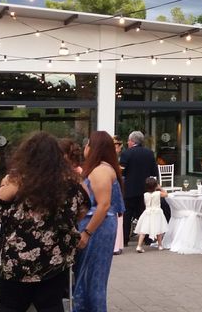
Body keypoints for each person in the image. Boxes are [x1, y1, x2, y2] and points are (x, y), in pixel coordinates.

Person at [0, 132, 88, 312]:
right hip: (54, 262)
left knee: (11, 307)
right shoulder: (71, 185)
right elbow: (83, 208)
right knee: (52, 306)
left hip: (16, 264)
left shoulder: (18, 182)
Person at [73, 131, 125, 312]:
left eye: (87, 144)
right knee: (91, 276)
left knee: (91, 277)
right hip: (98, 226)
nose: (84, 148)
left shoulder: (101, 170)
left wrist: (87, 233)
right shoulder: (104, 168)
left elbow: (103, 205)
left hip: (96, 228)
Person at [119, 131, 158, 246]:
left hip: (130, 189)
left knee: (127, 215)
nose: (127, 142)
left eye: (128, 140)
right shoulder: (149, 153)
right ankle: (147, 239)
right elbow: (154, 172)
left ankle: (124, 240)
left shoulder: (126, 154)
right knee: (144, 214)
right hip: (145, 189)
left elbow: (122, 171)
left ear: (132, 141)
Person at [134, 176, 168, 253]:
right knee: (159, 229)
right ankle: (160, 245)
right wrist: (160, 188)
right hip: (157, 212)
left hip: (147, 212)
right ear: (156, 185)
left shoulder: (145, 194)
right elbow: (166, 194)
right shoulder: (158, 193)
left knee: (143, 230)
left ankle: (139, 245)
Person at [112, 135, 124, 255]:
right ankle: (116, 245)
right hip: (116, 187)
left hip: (118, 187)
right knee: (118, 215)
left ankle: (118, 245)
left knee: (119, 216)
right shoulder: (113, 158)